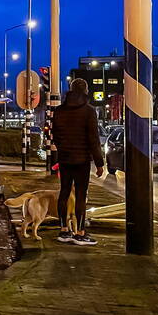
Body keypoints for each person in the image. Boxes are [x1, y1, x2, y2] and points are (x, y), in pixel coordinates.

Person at [51, 78, 104, 246]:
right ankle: (80, 233)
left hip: (65, 158)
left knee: (64, 192)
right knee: (81, 195)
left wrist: (62, 150)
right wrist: (99, 163)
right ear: (86, 90)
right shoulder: (89, 111)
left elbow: (55, 135)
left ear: (71, 90)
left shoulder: (59, 110)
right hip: (82, 160)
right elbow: (93, 139)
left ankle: (64, 230)